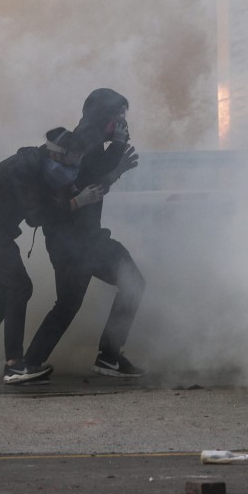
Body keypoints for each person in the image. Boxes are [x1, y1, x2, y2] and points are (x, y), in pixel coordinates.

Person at [0, 128, 103, 392]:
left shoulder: (39, 167)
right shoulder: (25, 169)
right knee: (20, 286)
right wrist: (76, 202)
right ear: (55, 153)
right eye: (72, 161)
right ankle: (14, 364)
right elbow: (36, 216)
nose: (74, 168)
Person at [21, 89, 145, 378]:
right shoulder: (86, 139)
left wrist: (117, 170)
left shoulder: (87, 139)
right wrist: (118, 147)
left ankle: (29, 364)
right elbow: (89, 176)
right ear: (106, 116)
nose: (123, 124)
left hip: (74, 242)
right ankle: (109, 357)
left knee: (67, 306)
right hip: (81, 242)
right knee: (133, 283)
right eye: (119, 117)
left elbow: (91, 184)